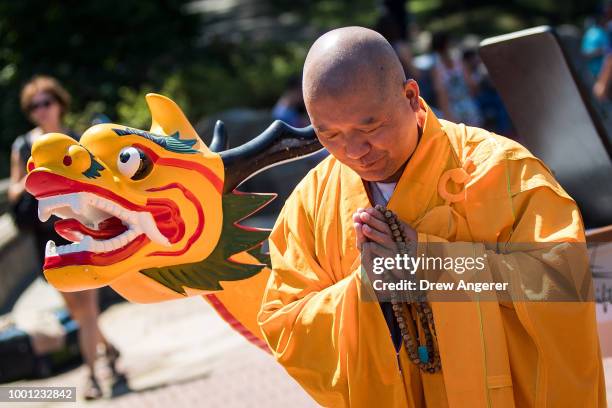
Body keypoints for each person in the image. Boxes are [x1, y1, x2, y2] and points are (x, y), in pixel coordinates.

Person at [257, 27, 605, 407]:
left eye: (370, 127)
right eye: (330, 135)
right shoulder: (314, 202)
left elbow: (564, 283)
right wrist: (366, 288)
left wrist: (430, 262)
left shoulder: (502, 171)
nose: (354, 150)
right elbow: (285, 323)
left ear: (410, 97)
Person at [8, 76, 119, 400]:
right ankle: (110, 350)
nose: (41, 110)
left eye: (46, 103)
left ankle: (92, 377)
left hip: (81, 231)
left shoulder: (73, 140)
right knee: (79, 313)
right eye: (34, 106)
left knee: (87, 310)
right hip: (47, 238)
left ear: (59, 103)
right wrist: (36, 177)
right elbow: (14, 190)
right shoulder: (23, 145)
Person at [430, 31, 482, 127]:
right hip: (467, 104)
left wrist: (447, 117)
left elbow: (441, 95)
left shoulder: (437, 68)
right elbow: (472, 85)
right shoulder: (458, 62)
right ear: (447, 44)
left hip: (453, 108)